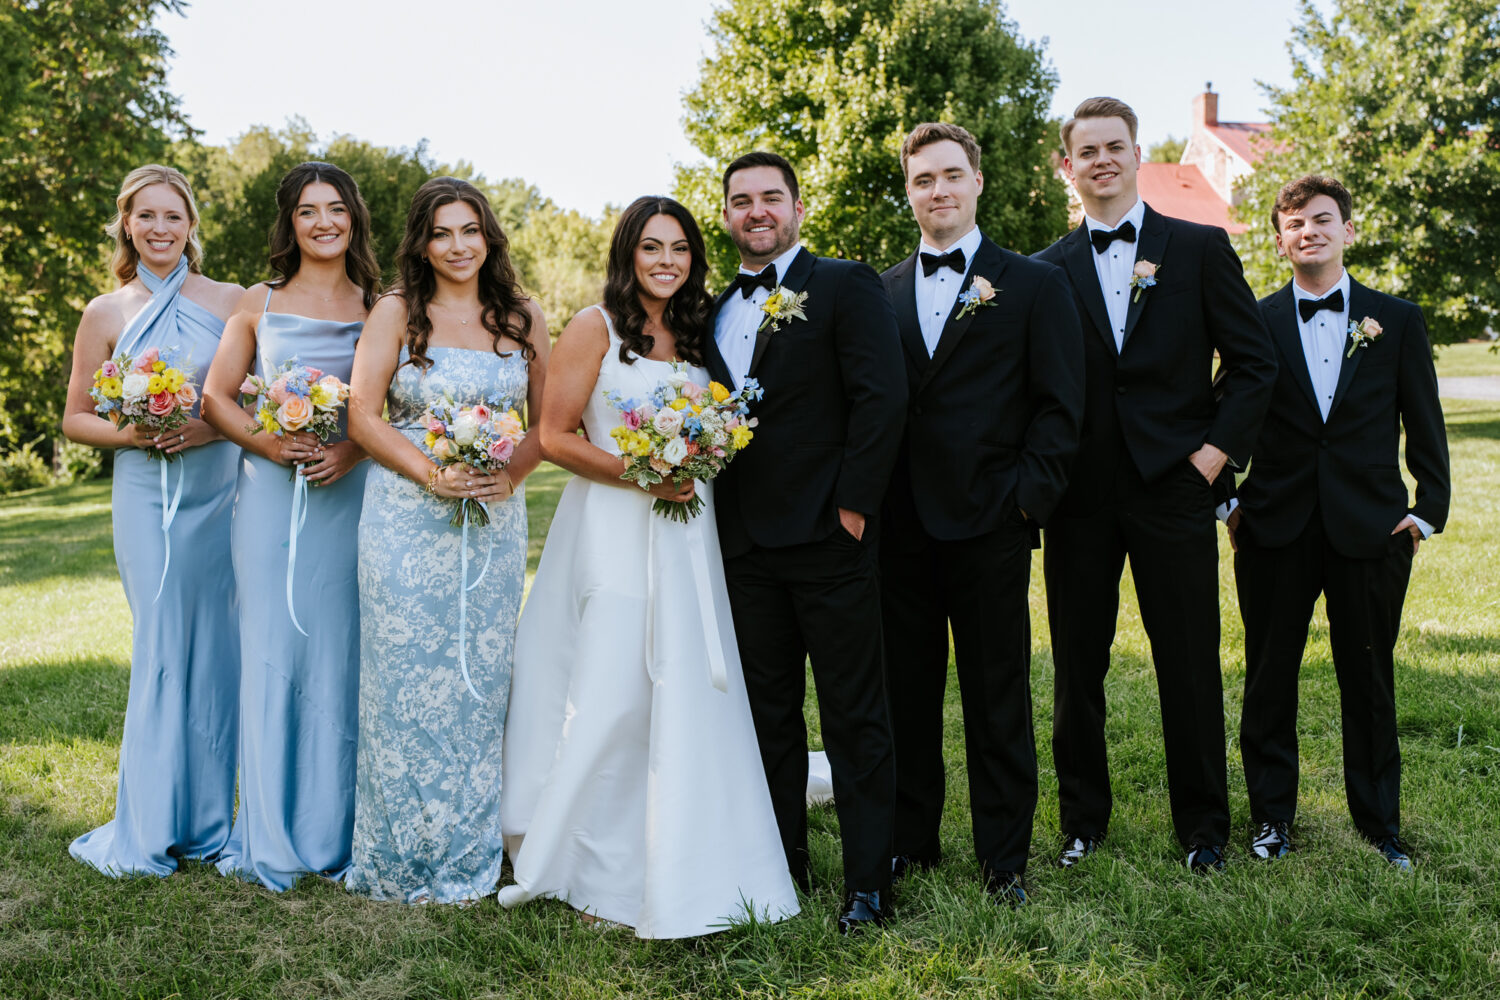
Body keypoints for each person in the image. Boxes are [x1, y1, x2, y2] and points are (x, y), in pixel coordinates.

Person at [498, 196, 799, 937]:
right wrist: (644, 475)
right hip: (613, 526)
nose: (667, 262)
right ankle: (588, 853)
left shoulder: (700, 335)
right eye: (652, 248)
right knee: (614, 687)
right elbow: (557, 435)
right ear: (628, 253)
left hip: (688, 530)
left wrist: (699, 457)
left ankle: (688, 833)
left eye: (681, 250)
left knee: (690, 679)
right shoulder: (592, 327)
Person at [1033, 98, 1277, 872]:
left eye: (1116, 146)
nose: (1101, 160)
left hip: (1174, 488)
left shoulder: (1199, 249)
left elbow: (1253, 363)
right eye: (1087, 151)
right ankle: (1081, 824)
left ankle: (1204, 829)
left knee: (1189, 660)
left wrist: (1214, 457)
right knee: (1077, 664)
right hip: (1078, 498)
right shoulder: (1043, 272)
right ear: (1066, 167)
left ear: (1139, 155)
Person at [879, 123, 1084, 904]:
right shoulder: (883, 289)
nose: (939, 190)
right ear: (910, 191)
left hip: (992, 527)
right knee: (907, 697)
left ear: (977, 183)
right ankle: (910, 843)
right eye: (924, 179)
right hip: (901, 532)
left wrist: (1024, 502)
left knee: (998, 699)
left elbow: (1062, 409)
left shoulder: (1032, 285)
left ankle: (1005, 860)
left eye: (952, 175)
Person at [702, 152, 907, 932]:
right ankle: (781, 866)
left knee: (854, 715)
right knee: (769, 716)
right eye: (741, 200)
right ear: (725, 214)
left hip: (829, 537)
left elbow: (880, 400)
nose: (756, 211)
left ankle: (868, 884)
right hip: (744, 546)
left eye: (771, 198)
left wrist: (852, 510)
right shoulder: (716, 307)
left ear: (795, 207)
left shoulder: (845, 284)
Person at [1223, 175, 1449, 868]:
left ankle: (1381, 826)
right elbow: (1223, 412)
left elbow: (1425, 423)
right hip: (1273, 530)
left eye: (1322, 220)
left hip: (1371, 532)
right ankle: (1271, 821)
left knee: (1370, 682)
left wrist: (1424, 514)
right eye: (1294, 224)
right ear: (1281, 239)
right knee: (1268, 681)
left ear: (1348, 230)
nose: (1309, 232)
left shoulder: (1397, 320)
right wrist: (1227, 501)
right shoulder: (1254, 321)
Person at [343, 177, 547, 904]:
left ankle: (470, 848)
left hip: (491, 524)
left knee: (479, 683)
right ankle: (397, 857)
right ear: (421, 243)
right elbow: (363, 416)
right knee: (400, 685)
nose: (458, 246)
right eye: (442, 233)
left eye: (470, 230)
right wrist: (431, 473)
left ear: (488, 236)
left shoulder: (523, 316)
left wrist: (507, 476)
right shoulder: (396, 311)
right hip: (402, 518)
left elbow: (546, 425)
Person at [61, 165, 245, 876]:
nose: (161, 229)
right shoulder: (105, 312)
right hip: (144, 495)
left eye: (174, 216)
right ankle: (150, 824)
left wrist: (211, 426)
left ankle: (206, 822)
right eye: (147, 217)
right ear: (127, 225)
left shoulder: (232, 302)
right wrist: (134, 434)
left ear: (192, 224)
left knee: (219, 648)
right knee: (164, 642)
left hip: (220, 489)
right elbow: (78, 419)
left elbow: (248, 398)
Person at [200, 162, 380, 890]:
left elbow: (394, 407)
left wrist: (351, 445)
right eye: (308, 212)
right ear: (290, 222)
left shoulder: (383, 306)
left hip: (352, 493)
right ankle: (269, 830)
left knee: (341, 652)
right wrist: (269, 443)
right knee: (273, 649)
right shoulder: (257, 301)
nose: (323, 223)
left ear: (354, 219)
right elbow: (216, 398)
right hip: (270, 499)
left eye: (335, 209)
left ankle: (335, 827)